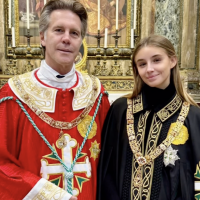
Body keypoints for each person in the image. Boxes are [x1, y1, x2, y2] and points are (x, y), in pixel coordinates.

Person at [0, 0, 110, 200]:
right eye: (59, 30)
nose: (67, 39)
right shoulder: (14, 95)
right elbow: (2, 166)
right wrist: (51, 195)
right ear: (42, 37)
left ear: (81, 41)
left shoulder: (96, 94)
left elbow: (112, 162)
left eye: (74, 33)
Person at [97, 34, 200, 200]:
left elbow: (196, 180)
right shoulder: (120, 110)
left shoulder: (193, 117)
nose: (149, 69)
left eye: (157, 60)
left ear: (172, 61)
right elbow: (107, 171)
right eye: (142, 64)